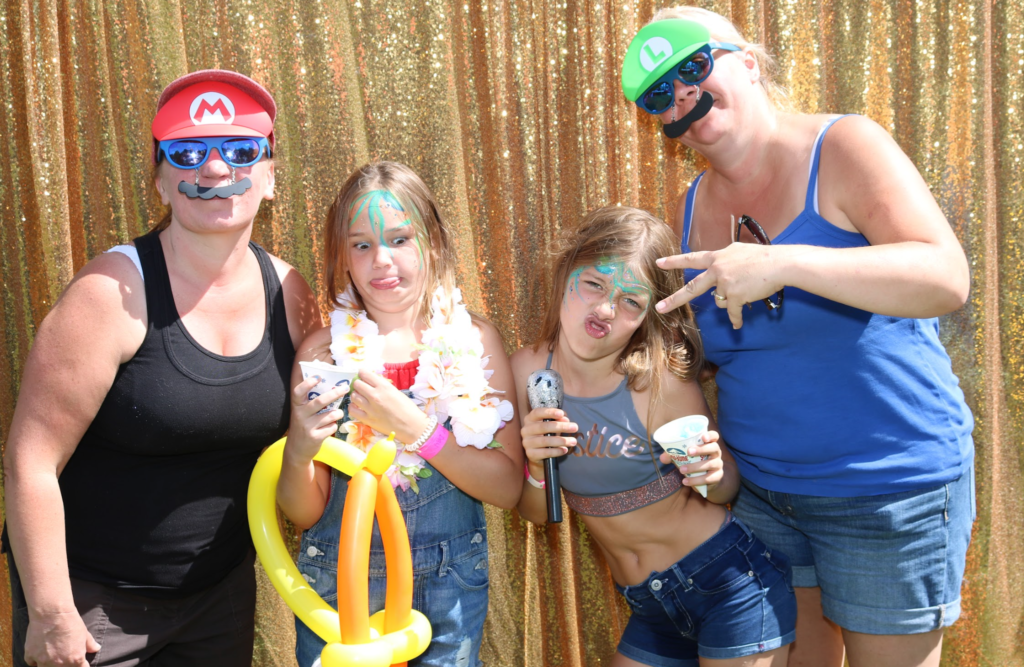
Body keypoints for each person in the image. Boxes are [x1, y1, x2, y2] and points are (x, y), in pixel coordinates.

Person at [620, 9, 975, 667]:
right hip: (764, 496)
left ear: (748, 62)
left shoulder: (844, 148)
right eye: (661, 96)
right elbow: (699, 359)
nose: (684, 98)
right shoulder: (691, 208)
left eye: (694, 69)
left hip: (884, 489)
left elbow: (945, 276)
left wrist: (783, 262)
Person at [1, 70, 322, 667]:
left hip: (219, 599)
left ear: (270, 178)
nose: (215, 170)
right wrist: (51, 612)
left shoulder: (291, 291)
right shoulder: (109, 293)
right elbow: (30, 460)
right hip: (94, 607)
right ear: (161, 180)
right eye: (188, 153)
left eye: (241, 150)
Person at [513, 206, 795, 667]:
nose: (605, 308)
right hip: (650, 606)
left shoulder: (656, 380)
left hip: (728, 584)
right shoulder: (527, 373)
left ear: (647, 315)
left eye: (630, 301)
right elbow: (535, 514)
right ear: (566, 273)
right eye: (594, 284)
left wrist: (712, 468)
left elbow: (723, 491)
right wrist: (534, 464)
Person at [279, 161, 524, 667]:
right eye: (362, 244)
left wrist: (417, 430)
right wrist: (300, 448)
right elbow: (302, 512)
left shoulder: (476, 341)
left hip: (449, 582)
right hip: (340, 584)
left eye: (399, 239)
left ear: (432, 242)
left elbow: (506, 488)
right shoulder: (323, 353)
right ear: (343, 257)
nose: (381, 261)